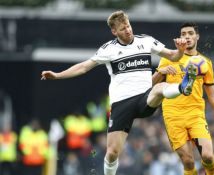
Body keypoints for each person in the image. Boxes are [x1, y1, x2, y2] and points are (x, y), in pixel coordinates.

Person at [41, 10, 197, 175]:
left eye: (128, 26)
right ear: (114, 31)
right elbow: (83, 67)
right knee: (112, 153)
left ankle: (183, 87)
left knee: (160, 88)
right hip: (121, 104)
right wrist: (57, 75)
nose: (128, 30)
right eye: (123, 29)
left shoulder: (146, 41)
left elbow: (173, 56)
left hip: (144, 98)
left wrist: (180, 51)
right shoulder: (109, 49)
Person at [152, 22, 214, 175]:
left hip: (195, 115)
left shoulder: (205, 63)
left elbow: (212, 94)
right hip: (173, 115)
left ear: (197, 36)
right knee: (188, 161)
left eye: (190, 33)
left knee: (208, 157)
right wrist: (160, 72)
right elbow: (150, 85)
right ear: (179, 39)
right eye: (183, 34)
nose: (187, 37)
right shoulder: (169, 58)